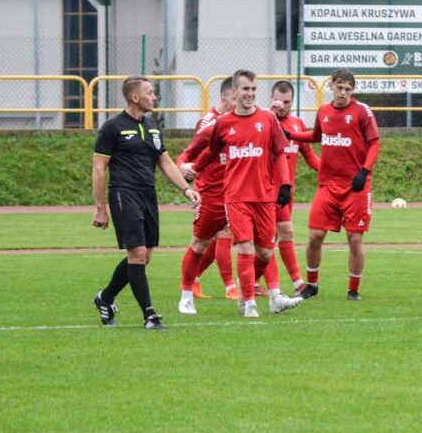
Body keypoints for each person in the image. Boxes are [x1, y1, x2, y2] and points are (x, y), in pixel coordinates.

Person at [188, 69, 302, 318]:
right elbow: (210, 151)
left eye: (253, 89)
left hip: (264, 196)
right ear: (234, 92)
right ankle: (248, 303)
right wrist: (194, 169)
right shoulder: (223, 122)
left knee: (265, 252)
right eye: (245, 89)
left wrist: (284, 185)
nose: (250, 94)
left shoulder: (268, 120)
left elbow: (281, 152)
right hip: (236, 196)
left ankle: (261, 293)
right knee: (245, 247)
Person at [92, 76, 200, 330]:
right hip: (123, 193)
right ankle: (150, 315)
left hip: (147, 195)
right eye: (150, 93)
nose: (154, 97)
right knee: (137, 254)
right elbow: (99, 168)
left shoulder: (152, 126)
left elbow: (165, 162)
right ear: (134, 97)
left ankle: (105, 298)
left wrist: (187, 189)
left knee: (144, 256)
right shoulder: (113, 127)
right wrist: (100, 208)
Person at [288, 69, 380, 301]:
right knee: (314, 236)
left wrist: (364, 170)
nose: (343, 93)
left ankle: (353, 289)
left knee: (355, 238)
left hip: (355, 186)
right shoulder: (324, 111)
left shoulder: (362, 111)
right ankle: (312, 284)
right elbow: (316, 136)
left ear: (353, 90)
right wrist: (290, 134)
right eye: (339, 88)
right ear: (331, 86)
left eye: (348, 89)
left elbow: (374, 144)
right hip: (328, 184)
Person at [179, 77, 239, 301]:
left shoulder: (238, 120)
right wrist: (184, 168)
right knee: (212, 239)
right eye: (235, 97)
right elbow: (190, 153)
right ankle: (229, 287)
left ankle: (194, 280)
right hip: (209, 189)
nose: (239, 102)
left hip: (231, 188)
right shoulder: (209, 122)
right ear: (224, 97)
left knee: (216, 244)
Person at [269, 80, 320, 295]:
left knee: (280, 237)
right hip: (266, 190)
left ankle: (252, 281)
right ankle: (296, 283)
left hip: (286, 192)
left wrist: (334, 172)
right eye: (278, 100)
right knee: (278, 235)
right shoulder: (263, 121)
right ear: (271, 98)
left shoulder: (297, 124)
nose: (282, 105)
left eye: (287, 101)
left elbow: (309, 156)